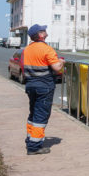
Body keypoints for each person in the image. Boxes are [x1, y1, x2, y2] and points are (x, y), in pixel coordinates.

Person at [22, 24, 64, 155]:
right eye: (43, 30)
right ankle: (34, 147)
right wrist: (62, 61)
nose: (46, 31)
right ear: (40, 35)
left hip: (30, 86)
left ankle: (30, 139)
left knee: (33, 114)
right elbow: (57, 67)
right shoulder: (47, 49)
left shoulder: (27, 49)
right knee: (41, 116)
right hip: (44, 87)